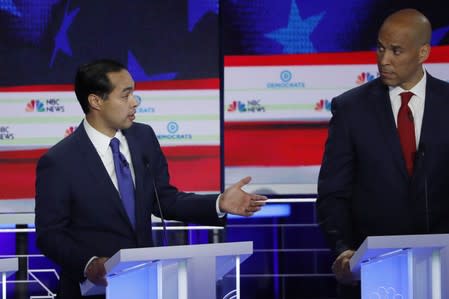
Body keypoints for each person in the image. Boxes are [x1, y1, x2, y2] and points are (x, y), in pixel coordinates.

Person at [34, 59, 267, 298]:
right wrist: (89, 262)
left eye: (133, 93)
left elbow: (163, 200)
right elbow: (50, 235)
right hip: (91, 291)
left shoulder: (142, 137)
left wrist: (218, 203)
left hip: (146, 285)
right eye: (125, 96)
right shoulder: (60, 161)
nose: (135, 102)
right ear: (96, 101)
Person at [316, 8, 449, 299]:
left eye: (396, 51)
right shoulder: (351, 109)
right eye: (380, 48)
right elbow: (332, 193)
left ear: (423, 52)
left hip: (442, 268)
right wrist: (344, 249)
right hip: (374, 271)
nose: (383, 60)